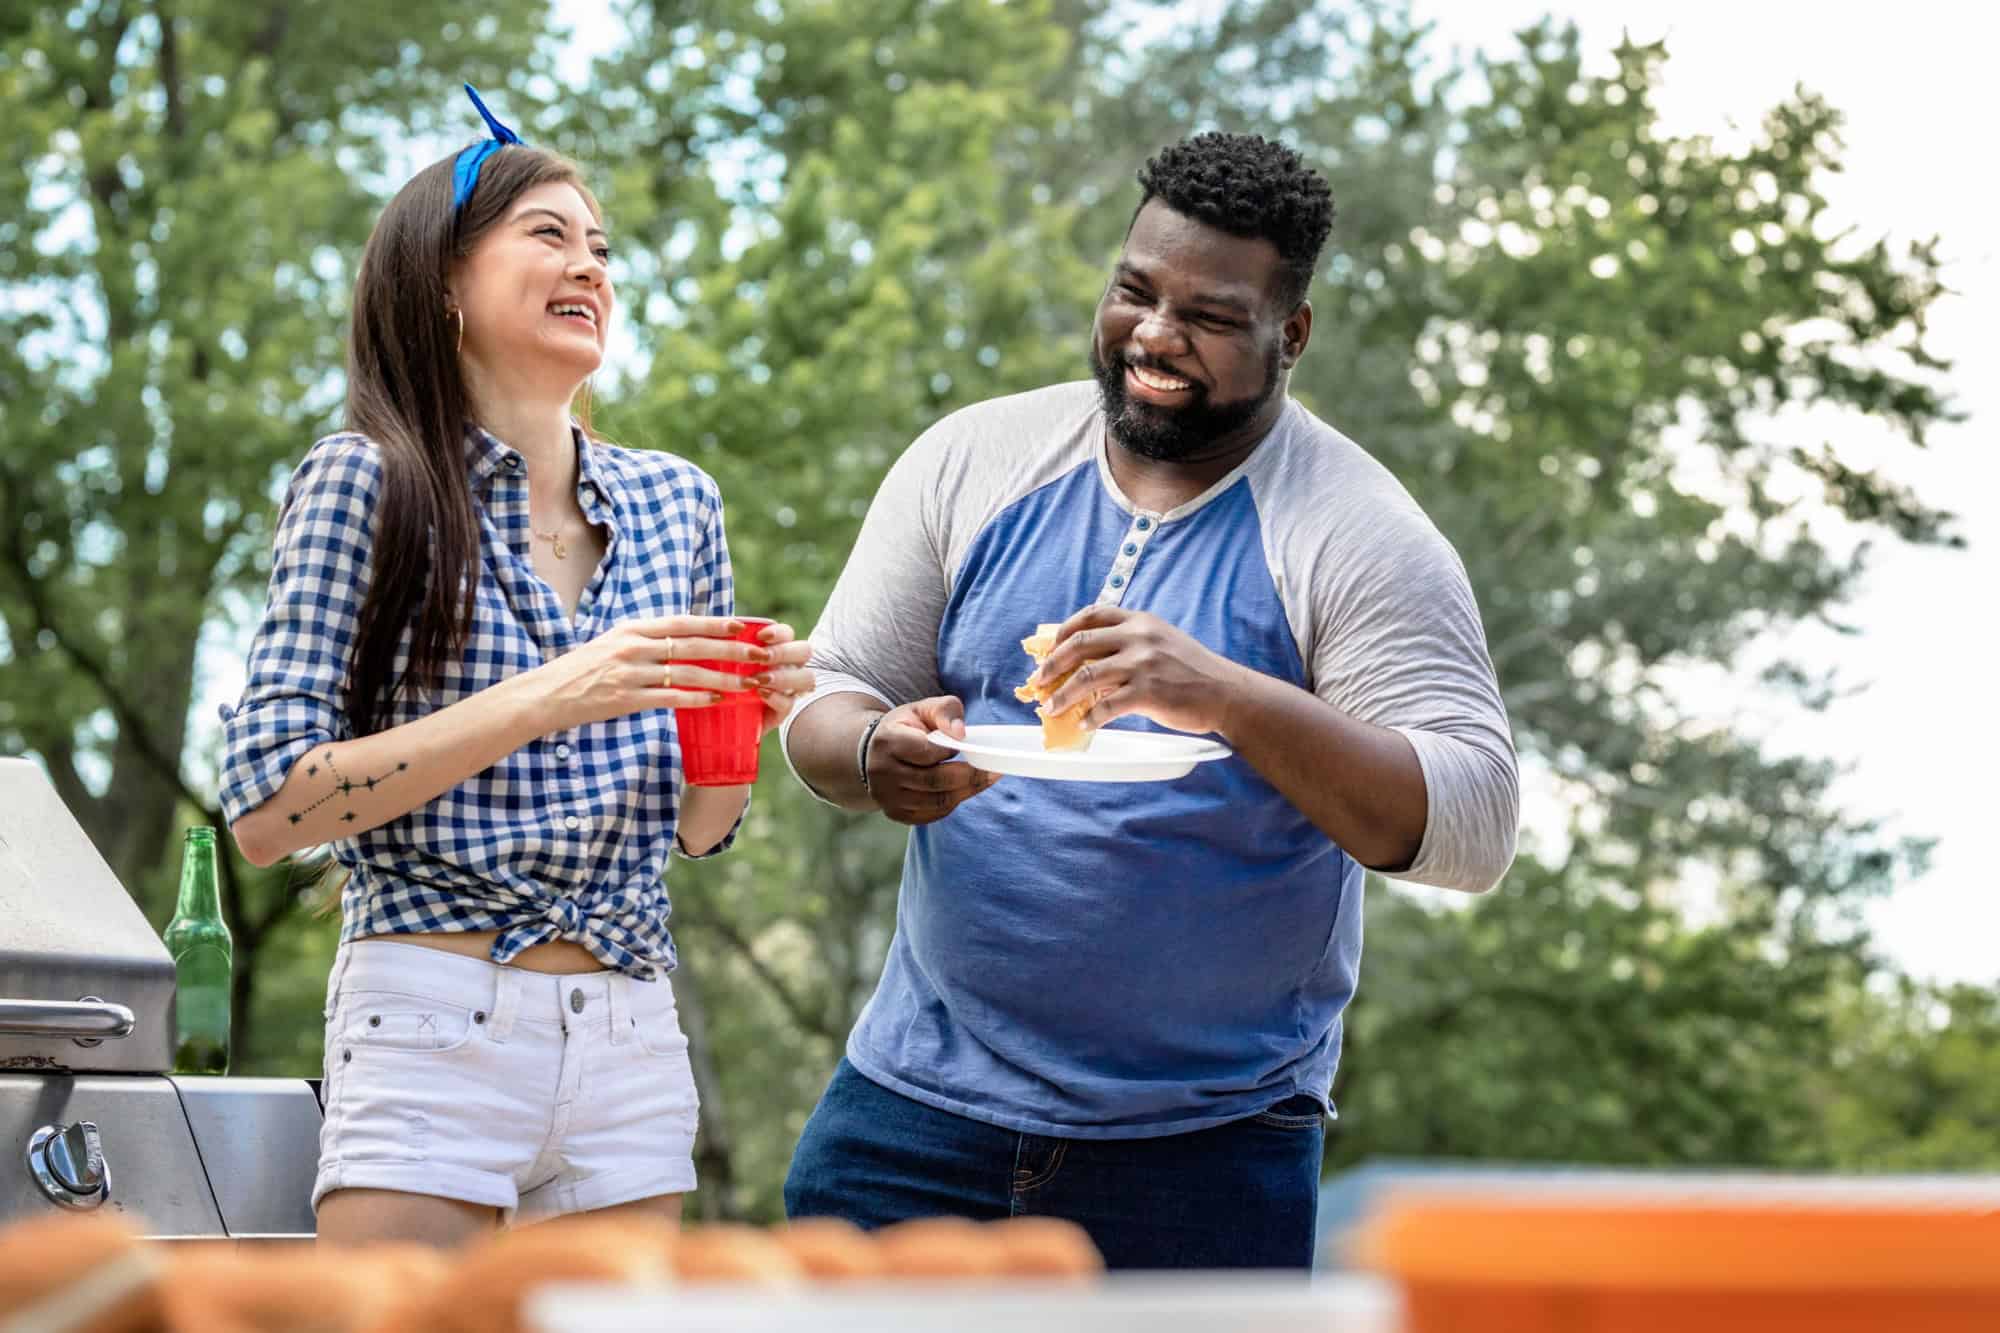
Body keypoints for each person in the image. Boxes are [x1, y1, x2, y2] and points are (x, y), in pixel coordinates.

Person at [778, 131, 1518, 1269]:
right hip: (908, 1120)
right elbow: (827, 694)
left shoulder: (1353, 531)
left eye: (1212, 318)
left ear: (1292, 335)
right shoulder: (974, 460)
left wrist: (1225, 694)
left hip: (1205, 1154)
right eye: (1135, 293)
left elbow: (1468, 826)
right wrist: (876, 747)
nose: (1156, 338)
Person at [217, 87, 813, 1246]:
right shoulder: (367, 482)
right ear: (442, 279)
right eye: (548, 233)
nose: (588, 263)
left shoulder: (678, 502)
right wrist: (564, 689)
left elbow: (699, 829)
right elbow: (266, 805)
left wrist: (747, 714)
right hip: (431, 1021)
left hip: (630, 1030)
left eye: (600, 245)